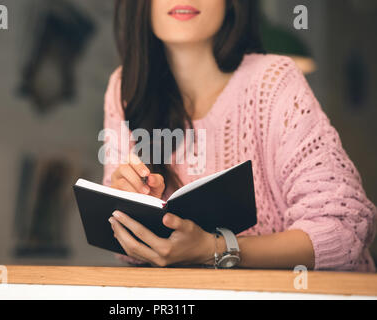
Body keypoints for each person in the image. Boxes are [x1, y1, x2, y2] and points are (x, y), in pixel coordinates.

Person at [101, 0, 376, 271]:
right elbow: (128, 252)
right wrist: (134, 211)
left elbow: (345, 230)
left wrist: (214, 248)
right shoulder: (125, 88)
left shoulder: (275, 81)